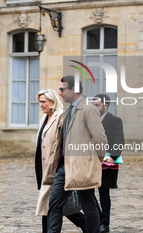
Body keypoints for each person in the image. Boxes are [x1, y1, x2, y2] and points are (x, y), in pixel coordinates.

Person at [43, 75, 107, 233]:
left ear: (73, 89)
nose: (60, 93)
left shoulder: (88, 109)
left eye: (62, 89)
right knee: (54, 203)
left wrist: (95, 161)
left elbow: (100, 138)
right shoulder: (67, 110)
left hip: (81, 166)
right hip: (64, 167)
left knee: (88, 205)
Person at [35, 89, 88, 233]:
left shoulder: (61, 116)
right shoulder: (44, 118)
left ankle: (87, 224)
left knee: (52, 203)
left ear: (52, 102)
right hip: (44, 167)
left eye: (43, 102)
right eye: (40, 102)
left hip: (56, 167)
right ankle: (87, 225)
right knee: (53, 203)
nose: (41, 105)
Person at [93, 94, 125, 233]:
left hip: (106, 162)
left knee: (103, 193)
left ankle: (104, 223)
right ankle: (96, 218)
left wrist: (113, 157)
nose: (94, 108)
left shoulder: (115, 120)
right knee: (86, 192)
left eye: (97, 105)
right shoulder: (90, 120)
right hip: (90, 161)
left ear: (105, 106)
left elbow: (119, 140)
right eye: (93, 105)